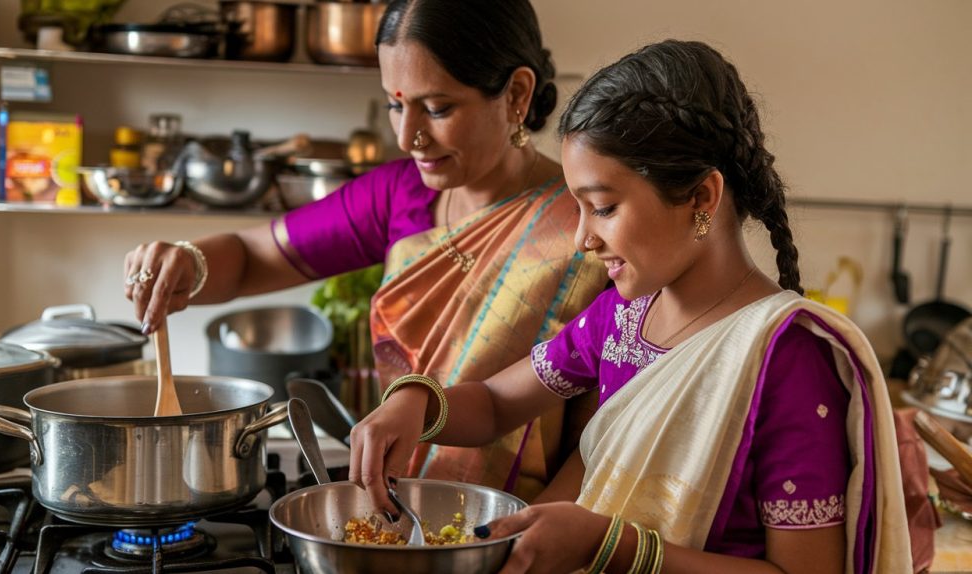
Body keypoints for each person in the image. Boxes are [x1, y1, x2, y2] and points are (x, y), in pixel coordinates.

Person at [350, 40, 911, 573]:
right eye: (579, 208)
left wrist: (607, 545)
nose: (582, 240)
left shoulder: (787, 360)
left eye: (604, 207)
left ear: (702, 197)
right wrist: (417, 403)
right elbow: (497, 405)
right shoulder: (620, 319)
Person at [123, 0, 609, 503]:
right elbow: (251, 259)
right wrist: (187, 261)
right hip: (398, 512)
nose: (407, 137)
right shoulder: (400, 195)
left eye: (437, 108)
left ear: (516, 93)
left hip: (535, 527)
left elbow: (605, 431)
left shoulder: (591, 225)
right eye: (395, 105)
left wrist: (529, 539)